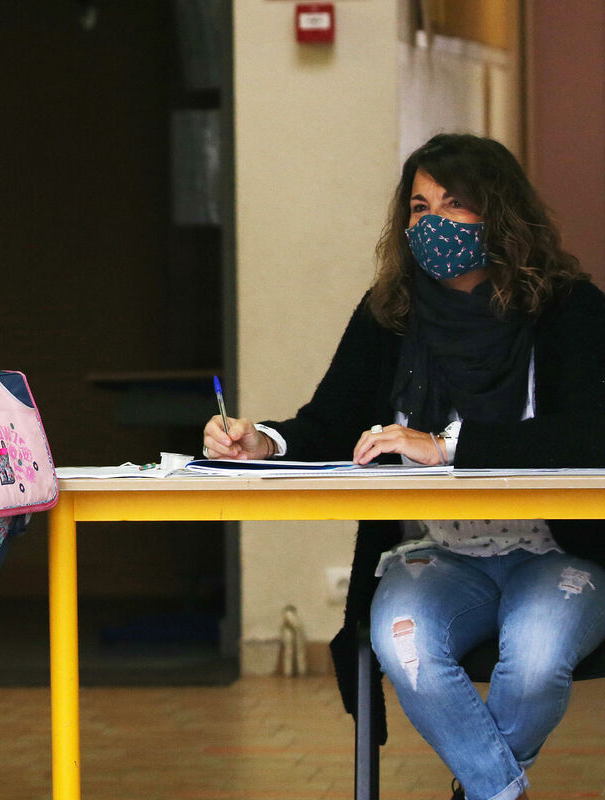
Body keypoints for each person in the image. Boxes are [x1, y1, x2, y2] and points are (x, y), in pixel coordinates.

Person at [201, 133, 605, 800]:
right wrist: (263, 441)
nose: (433, 222)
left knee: (536, 662)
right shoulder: (390, 313)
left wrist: (447, 447)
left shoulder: (571, 309)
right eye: (420, 208)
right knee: (403, 646)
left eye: (454, 203)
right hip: (441, 553)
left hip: (559, 551)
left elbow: (590, 436)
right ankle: (496, 790)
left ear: (499, 212)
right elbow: (330, 423)